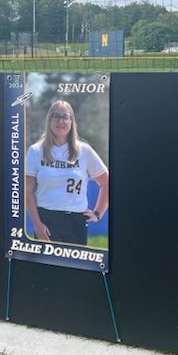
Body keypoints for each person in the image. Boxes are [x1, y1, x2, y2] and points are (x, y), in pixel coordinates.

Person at [25, 100, 109, 246]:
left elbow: (106, 183)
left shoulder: (84, 150)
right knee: (47, 268)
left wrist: (97, 214)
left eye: (65, 117)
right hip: (47, 221)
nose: (60, 121)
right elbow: (28, 191)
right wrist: (37, 224)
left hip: (76, 223)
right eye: (56, 116)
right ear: (49, 120)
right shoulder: (35, 151)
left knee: (75, 269)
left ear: (71, 122)